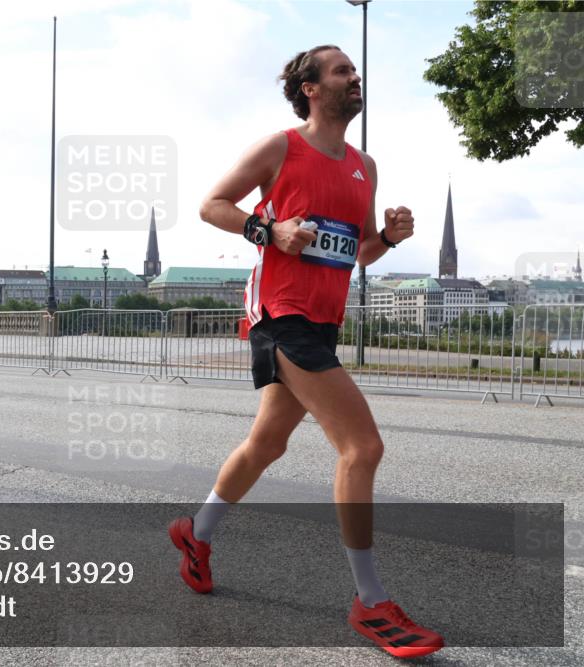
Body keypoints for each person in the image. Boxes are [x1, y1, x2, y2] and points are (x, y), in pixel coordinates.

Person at [168, 45, 443, 659]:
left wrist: (387, 239)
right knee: (362, 446)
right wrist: (271, 230)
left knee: (267, 443)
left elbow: (357, 252)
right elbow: (212, 205)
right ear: (310, 88)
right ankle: (371, 602)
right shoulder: (280, 148)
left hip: (322, 321)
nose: (355, 77)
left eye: (354, 70)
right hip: (280, 315)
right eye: (342, 70)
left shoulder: (364, 166)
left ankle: (195, 532)